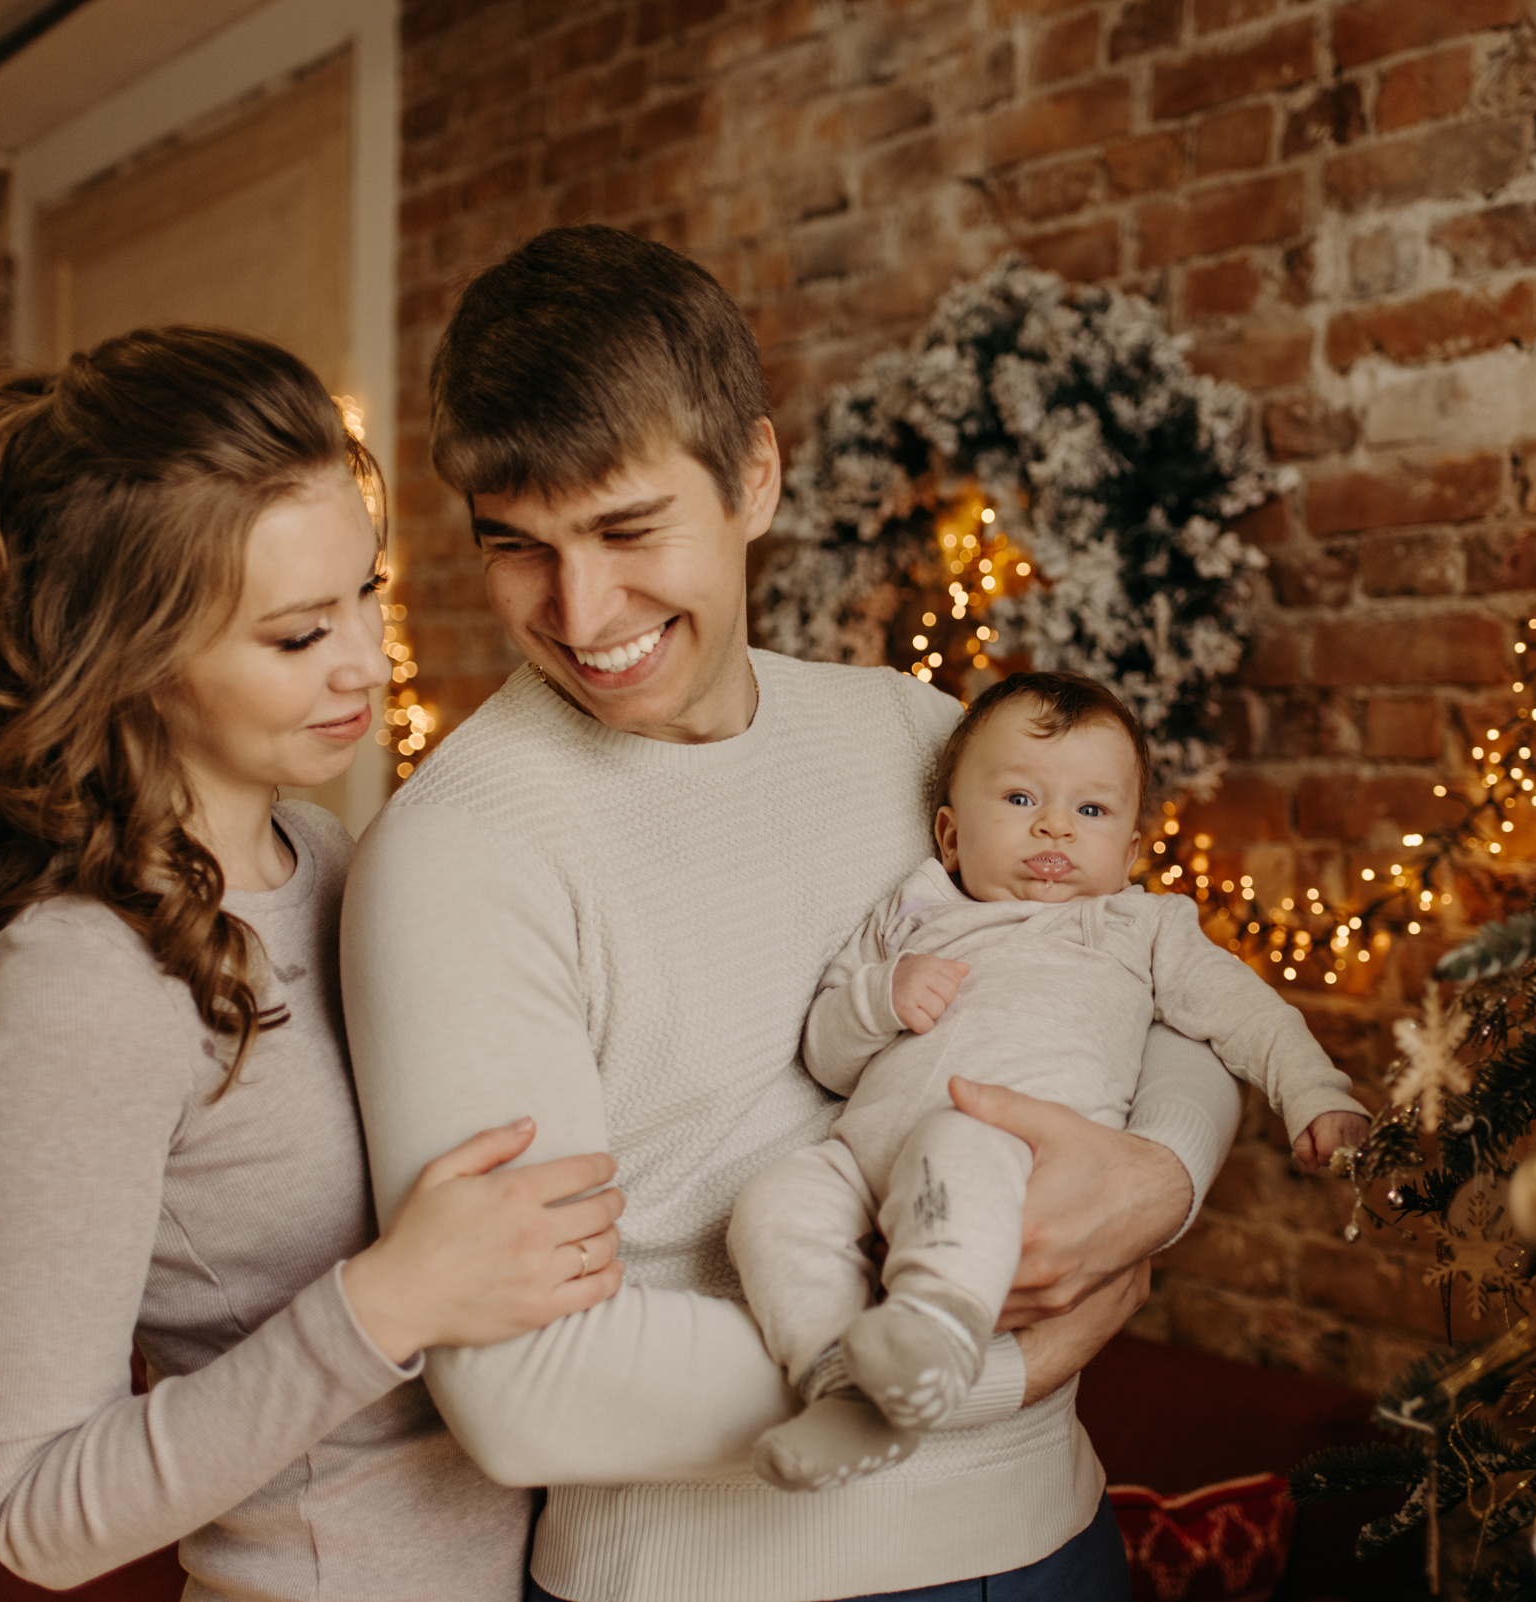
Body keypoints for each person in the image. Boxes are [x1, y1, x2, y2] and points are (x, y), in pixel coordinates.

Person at [342, 223, 1246, 1602]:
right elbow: (522, 1388)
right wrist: (981, 1361)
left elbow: (1149, 971)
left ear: (754, 476)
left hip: (1055, 1544)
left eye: (628, 527)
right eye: (517, 545)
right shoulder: (460, 852)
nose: (583, 610)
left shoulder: (910, 731)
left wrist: (1163, 1178)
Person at [0, 326, 626, 1600]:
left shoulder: (330, 855)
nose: (359, 662)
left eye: (366, 594)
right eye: (293, 636)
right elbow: (36, 1509)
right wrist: (385, 1303)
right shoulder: (81, 980)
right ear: (137, 656)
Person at [731, 671, 1372, 1492]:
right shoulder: (914, 912)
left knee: (959, 1140)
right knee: (772, 1205)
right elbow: (826, 1054)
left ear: (1132, 852)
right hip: (861, 1157)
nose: (1056, 829)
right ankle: (843, 1389)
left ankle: (934, 1331)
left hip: (1010, 1150)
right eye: (1021, 800)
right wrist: (879, 997)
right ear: (952, 837)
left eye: (1092, 811)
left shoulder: (1137, 926)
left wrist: (1313, 1091)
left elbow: (1246, 1014)